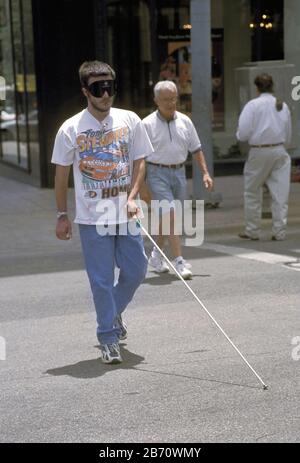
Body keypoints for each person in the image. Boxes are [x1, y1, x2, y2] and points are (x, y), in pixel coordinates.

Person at [51, 61, 153, 364]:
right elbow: (60, 176)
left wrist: (134, 196)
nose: (106, 93)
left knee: (137, 271)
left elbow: (139, 162)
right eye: (98, 88)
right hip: (92, 217)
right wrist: (61, 214)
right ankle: (107, 335)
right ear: (85, 91)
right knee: (101, 280)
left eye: (110, 86)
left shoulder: (130, 119)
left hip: (125, 212)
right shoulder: (70, 128)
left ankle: (112, 313)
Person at [142, 80, 213, 280]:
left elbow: (196, 149)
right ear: (156, 100)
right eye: (165, 99)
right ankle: (179, 260)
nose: (170, 103)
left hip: (179, 172)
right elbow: (139, 158)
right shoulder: (147, 124)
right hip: (156, 173)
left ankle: (156, 255)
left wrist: (205, 173)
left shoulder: (185, 121)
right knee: (170, 216)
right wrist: (141, 186)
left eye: (173, 98)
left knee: (171, 219)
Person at [237, 73, 292, 241]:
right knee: (280, 193)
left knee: (252, 191)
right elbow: (288, 134)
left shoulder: (252, 105)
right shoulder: (282, 105)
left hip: (259, 151)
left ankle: (253, 230)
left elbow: (243, 133)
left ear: (257, 88)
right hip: (279, 150)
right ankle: (279, 231)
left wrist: (239, 135)